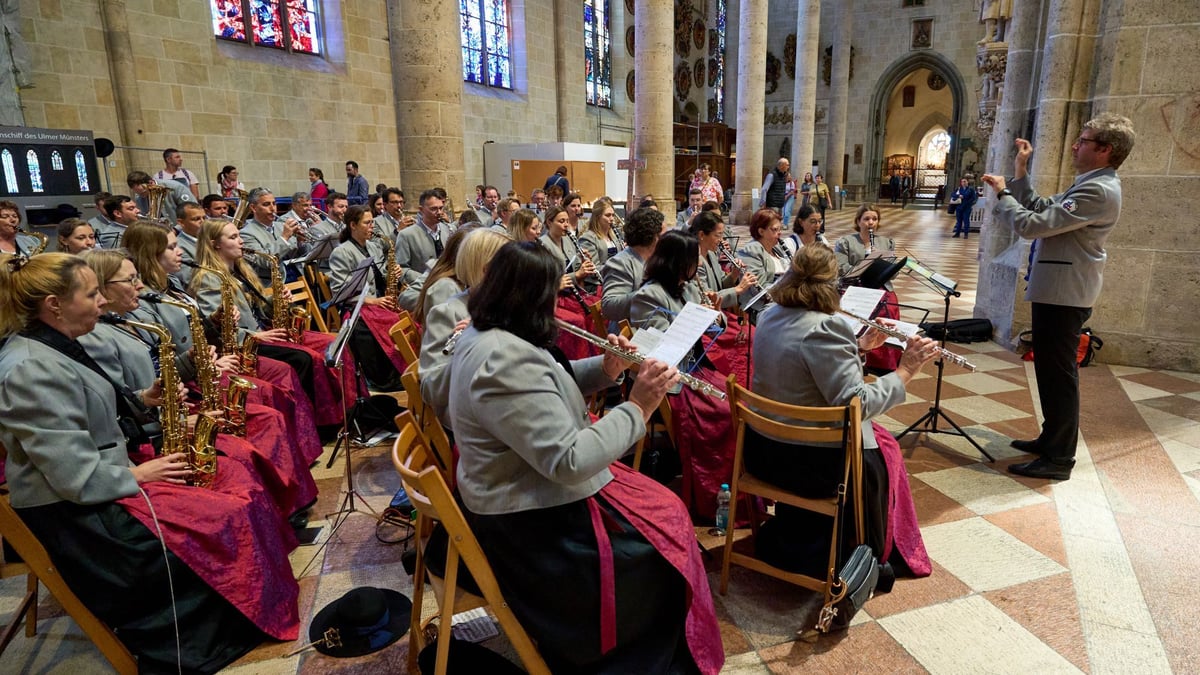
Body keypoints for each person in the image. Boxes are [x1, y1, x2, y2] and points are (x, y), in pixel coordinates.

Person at [0, 253, 300, 672]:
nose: (101, 301)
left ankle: (246, 610)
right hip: (79, 518)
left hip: (96, 486)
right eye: (91, 294)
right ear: (54, 304)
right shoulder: (30, 369)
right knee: (223, 517)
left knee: (233, 495)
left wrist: (143, 400)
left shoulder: (54, 344)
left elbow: (80, 416)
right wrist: (138, 473)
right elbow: (71, 474)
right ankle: (205, 638)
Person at [447, 241, 721, 674]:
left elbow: (549, 383)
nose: (556, 307)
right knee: (658, 543)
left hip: (528, 489)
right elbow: (569, 460)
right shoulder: (501, 359)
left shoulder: (495, 333)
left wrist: (608, 369)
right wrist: (639, 406)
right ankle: (634, 657)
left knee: (666, 512)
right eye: (551, 297)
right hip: (528, 521)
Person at [748, 244, 935, 577]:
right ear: (834, 285)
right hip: (807, 464)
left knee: (880, 444)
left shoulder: (769, 315)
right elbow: (857, 404)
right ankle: (865, 549)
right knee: (884, 452)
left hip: (761, 450)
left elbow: (800, 369)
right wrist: (905, 370)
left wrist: (858, 348)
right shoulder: (826, 327)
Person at [982, 113, 1135, 480]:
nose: (1074, 145)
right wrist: (1021, 172)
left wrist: (1002, 194)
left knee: (1060, 375)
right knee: (1050, 372)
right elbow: (1040, 208)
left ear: (1104, 149)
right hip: (1058, 290)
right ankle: (1050, 439)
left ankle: (1059, 459)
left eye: (1083, 140)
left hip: (1065, 294)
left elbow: (1031, 226)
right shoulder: (1089, 183)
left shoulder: (1098, 190)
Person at [190, 218, 355, 428]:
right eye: (233, 237)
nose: (241, 241)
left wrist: (275, 299)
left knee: (325, 345)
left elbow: (257, 308)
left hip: (262, 331)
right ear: (215, 244)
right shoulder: (208, 278)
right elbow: (217, 328)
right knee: (303, 359)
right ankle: (315, 424)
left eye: (239, 235)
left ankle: (341, 411)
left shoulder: (240, 269)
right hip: (245, 344)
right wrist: (255, 336)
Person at [417, 228, 509, 426]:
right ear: (486, 270)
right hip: (466, 417)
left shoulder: (504, 306)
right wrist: (471, 345)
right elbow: (430, 389)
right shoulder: (448, 311)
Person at [328, 204, 406, 389]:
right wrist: (373, 300)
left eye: (372, 222)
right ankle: (383, 378)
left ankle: (403, 368)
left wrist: (392, 273)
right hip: (356, 309)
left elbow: (380, 277)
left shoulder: (373, 246)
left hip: (378, 303)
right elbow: (339, 292)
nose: (372, 227)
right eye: (367, 223)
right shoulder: (341, 252)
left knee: (407, 316)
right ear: (353, 225)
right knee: (378, 326)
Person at [601, 206, 663, 329]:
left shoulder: (657, 259)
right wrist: (651, 292)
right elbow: (609, 307)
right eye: (663, 234)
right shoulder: (620, 263)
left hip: (656, 325)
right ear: (654, 237)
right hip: (632, 335)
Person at [630, 231, 706, 332]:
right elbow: (660, 340)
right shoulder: (648, 297)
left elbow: (710, 332)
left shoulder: (688, 287)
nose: (700, 263)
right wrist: (695, 320)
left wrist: (715, 319)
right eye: (696, 258)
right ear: (680, 262)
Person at [689, 210, 757, 310]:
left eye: (722, 235)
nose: (721, 240)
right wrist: (739, 289)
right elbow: (707, 297)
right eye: (717, 235)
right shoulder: (694, 261)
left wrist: (734, 274)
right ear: (702, 235)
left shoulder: (711, 254)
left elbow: (721, 284)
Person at [239, 187, 302, 286]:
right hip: (271, 284)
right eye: (266, 204)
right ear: (253, 208)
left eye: (274, 203)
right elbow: (265, 261)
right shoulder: (245, 234)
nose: (273, 208)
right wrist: (284, 238)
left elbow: (296, 255)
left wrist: (300, 241)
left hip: (296, 275)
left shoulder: (281, 226)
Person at [737, 208, 790, 311]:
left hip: (782, 302)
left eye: (780, 229)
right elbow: (759, 289)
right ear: (761, 231)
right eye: (775, 229)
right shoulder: (752, 250)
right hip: (762, 308)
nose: (779, 233)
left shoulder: (777, 248)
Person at [395, 188, 457, 275]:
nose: (439, 212)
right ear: (421, 209)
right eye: (434, 209)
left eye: (441, 208)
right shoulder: (406, 235)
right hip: (422, 286)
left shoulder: (448, 229)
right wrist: (425, 280)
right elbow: (401, 268)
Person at [833, 203, 897, 284]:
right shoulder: (845, 242)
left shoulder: (887, 243)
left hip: (880, 286)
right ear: (858, 221)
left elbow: (894, 274)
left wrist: (882, 261)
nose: (871, 222)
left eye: (875, 219)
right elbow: (841, 269)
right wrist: (864, 267)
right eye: (866, 219)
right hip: (853, 285)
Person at [127, 170, 196, 223]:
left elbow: (192, 210)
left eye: (143, 192)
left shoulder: (176, 188)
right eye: (139, 194)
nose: (143, 196)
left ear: (151, 183)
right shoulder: (139, 197)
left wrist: (177, 229)